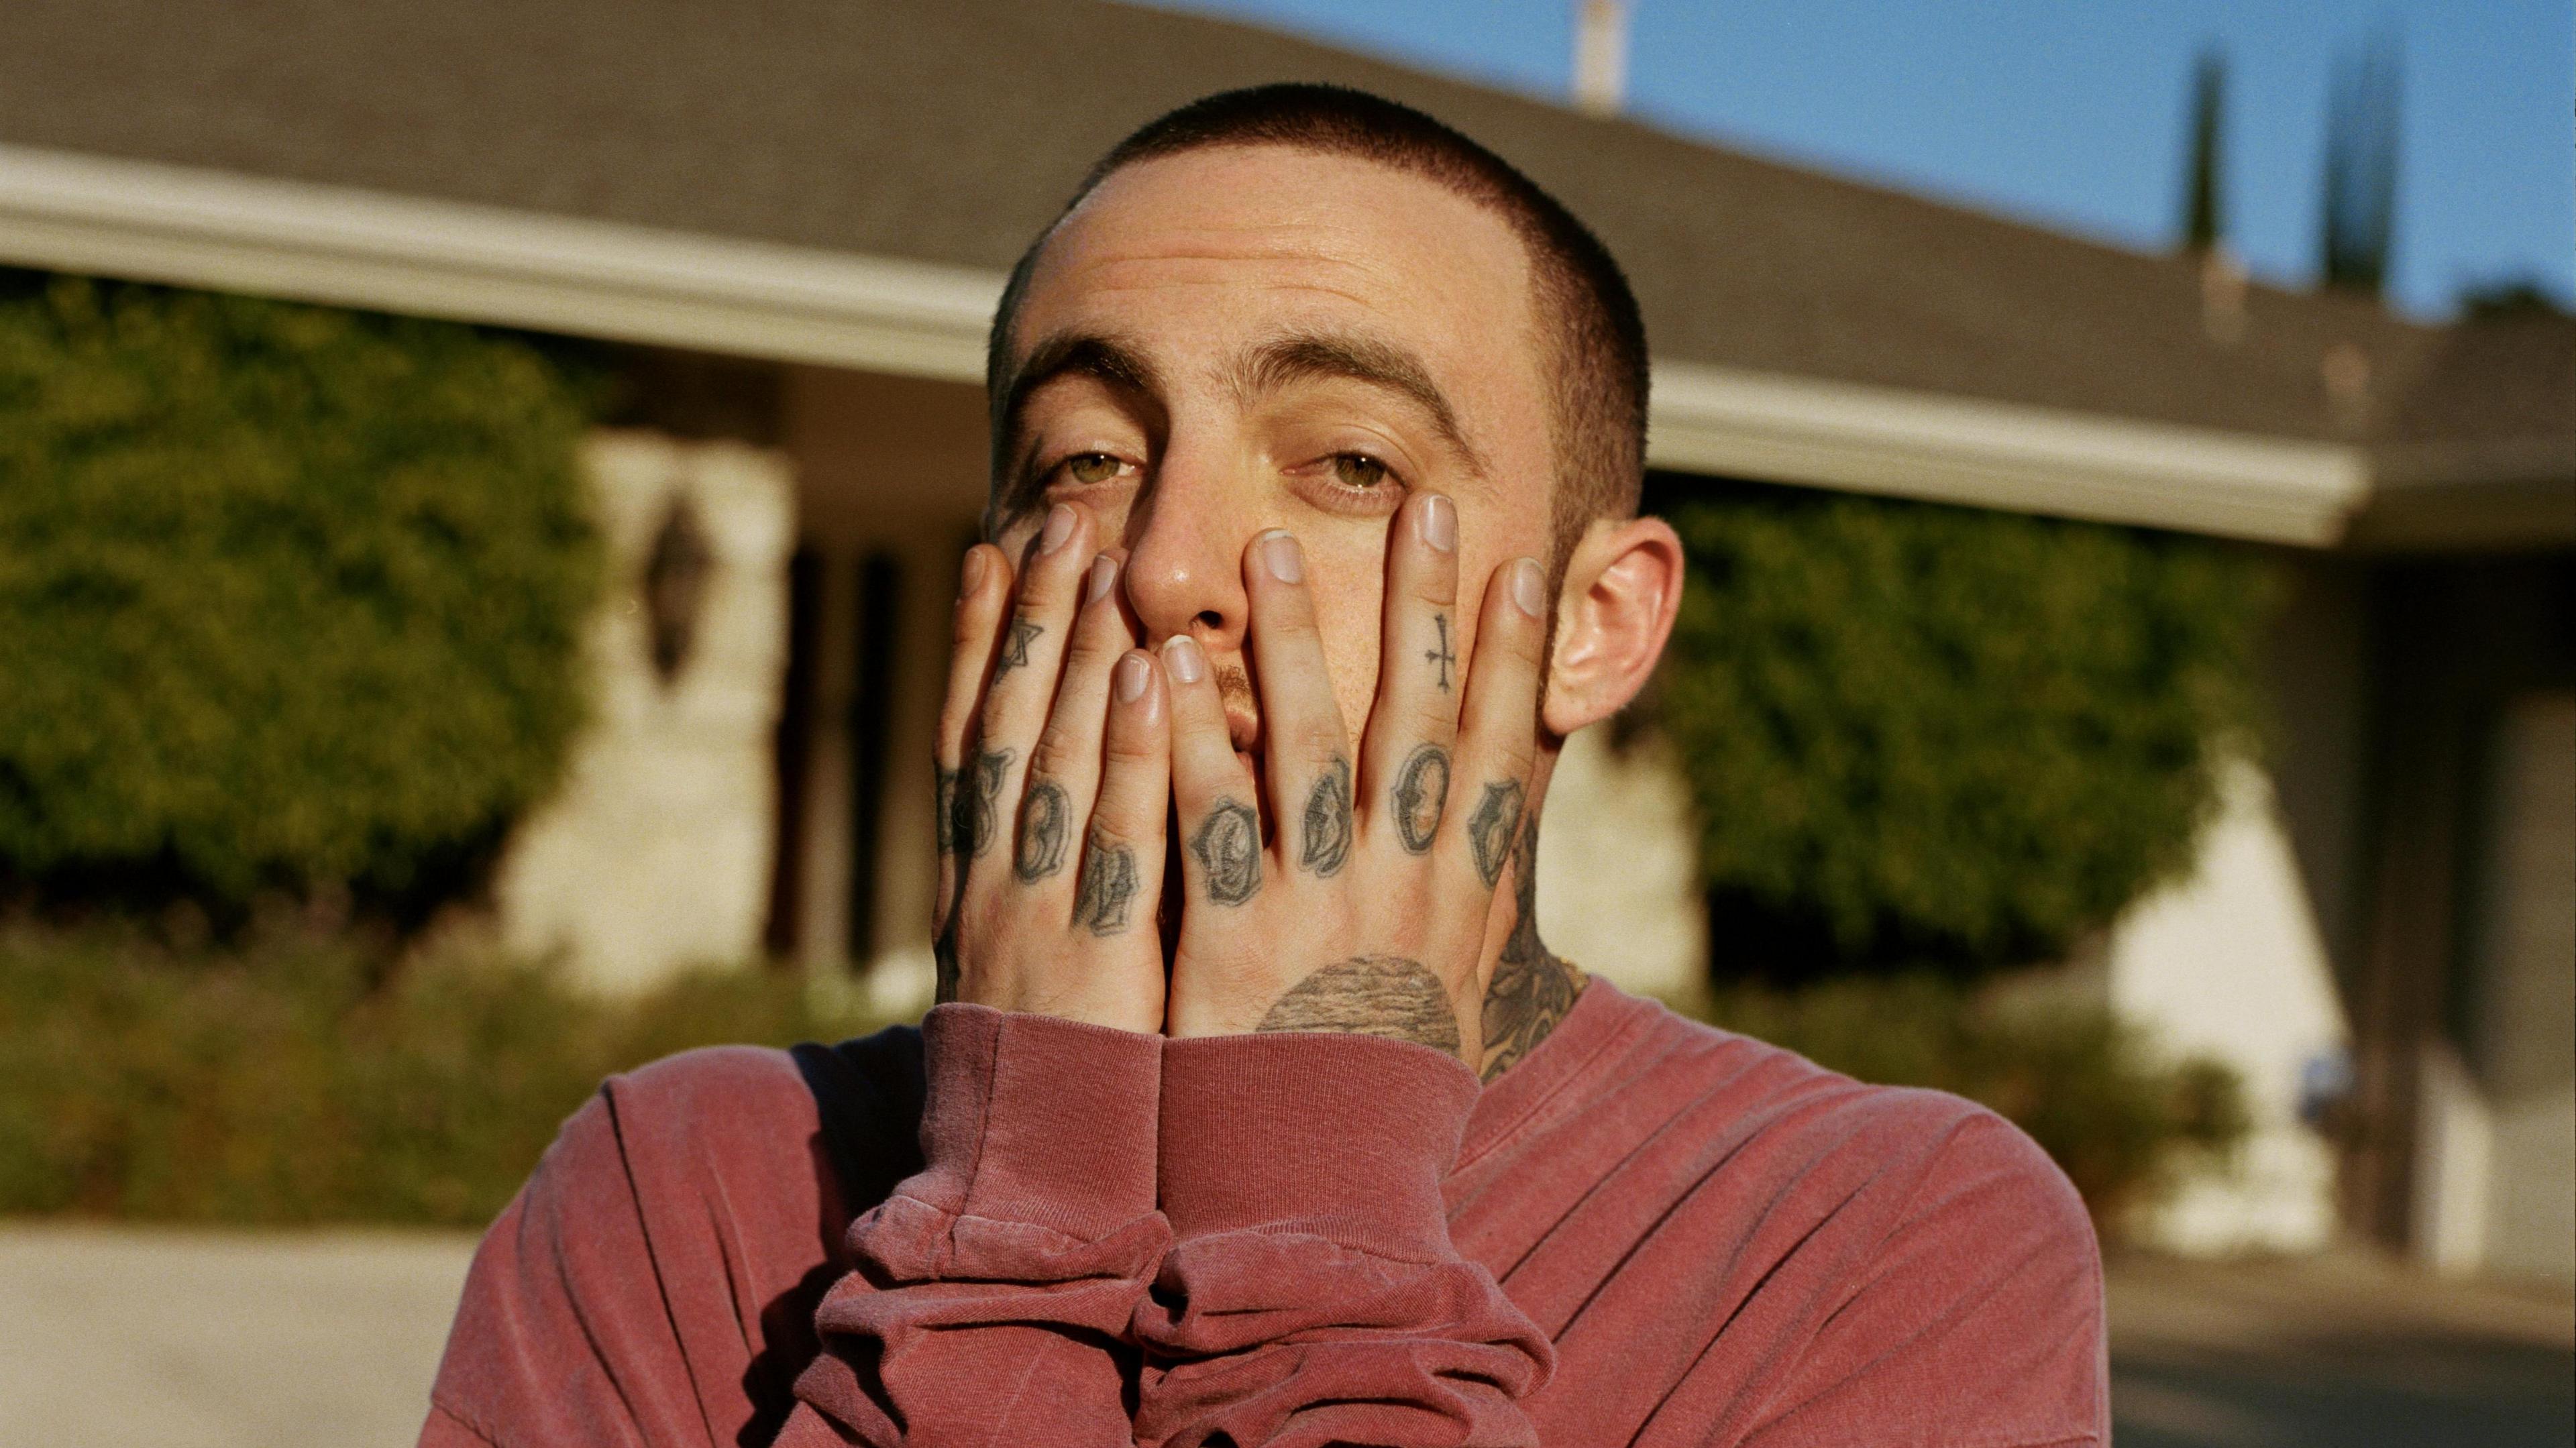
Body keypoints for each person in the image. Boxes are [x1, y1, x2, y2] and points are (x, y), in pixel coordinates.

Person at [423, 85, 2107, 1448]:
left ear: (1599, 625)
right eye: (1084, 458)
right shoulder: (683, 1191)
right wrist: (1017, 1196)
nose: (1169, 566)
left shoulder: (1872, 1242)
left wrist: (1315, 1203)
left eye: (1352, 465)